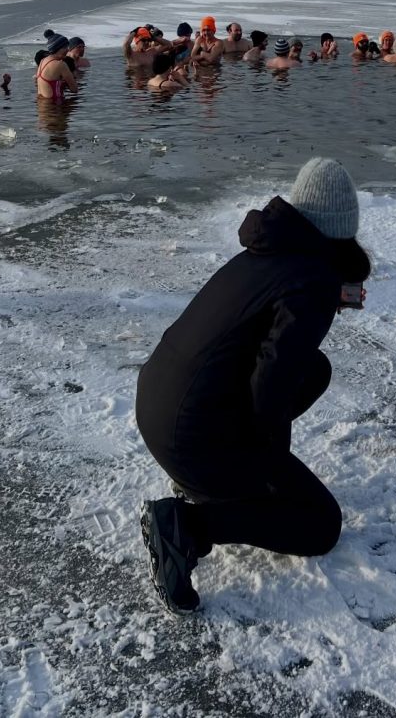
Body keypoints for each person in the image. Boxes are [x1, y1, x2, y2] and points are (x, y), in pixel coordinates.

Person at [136, 157, 370, 613]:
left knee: (314, 368)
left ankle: (212, 478)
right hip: (189, 435)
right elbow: (270, 389)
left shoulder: (266, 251)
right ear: (341, 230)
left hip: (160, 408)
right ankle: (186, 525)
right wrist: (270, 476)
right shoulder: (311, 283)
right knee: (320, 524)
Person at [36, 34, 78, 102]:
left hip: (42, 107)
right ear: (57, 48)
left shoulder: (43, 61)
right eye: (65, 47)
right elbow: (74, 89)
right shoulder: (60, 65)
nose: (67, 50)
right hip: (55, 107)